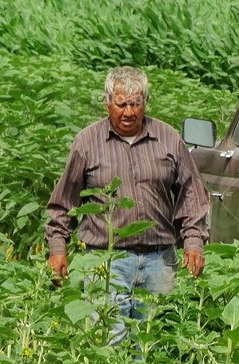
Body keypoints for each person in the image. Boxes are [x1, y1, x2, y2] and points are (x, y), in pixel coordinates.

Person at [45, 66, 208, 345]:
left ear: (146, 102)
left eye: (136, 104)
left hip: (159, 259)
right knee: (110, 341)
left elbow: (191, 194)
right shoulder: (87, 142)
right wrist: (57, 248)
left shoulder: (168, 139)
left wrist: (193, 242)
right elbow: (64, 201)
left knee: (153, 341)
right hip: (106, 260)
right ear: (107, 102)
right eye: (121, 104)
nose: (129, 112)